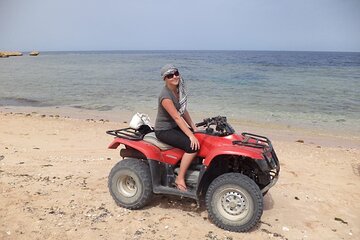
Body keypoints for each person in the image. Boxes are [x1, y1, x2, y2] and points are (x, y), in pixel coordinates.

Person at [154, 64, 200, 192]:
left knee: (200, 137)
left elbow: (183, 111)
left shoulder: (178, 90)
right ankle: (180, 178)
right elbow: (177, 117)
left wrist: (194, 128)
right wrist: (190, 136)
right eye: (170, 75)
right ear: (165, 79)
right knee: (192, 147)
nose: (174, 77)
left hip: (174, 127)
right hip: (164, 130)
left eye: (176, 73)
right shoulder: (165, 96)